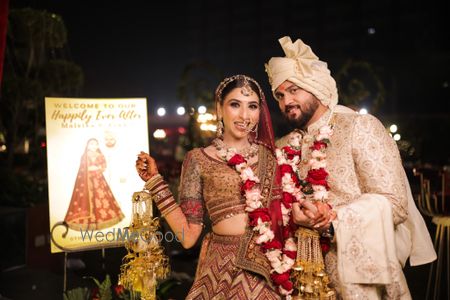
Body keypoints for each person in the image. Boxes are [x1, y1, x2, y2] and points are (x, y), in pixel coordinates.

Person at [265, 36, 437, 299]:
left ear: (316, 86)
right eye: (279, 95)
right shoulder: (284, 145)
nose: (286, 101)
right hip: (298, 277)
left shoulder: (360, 127)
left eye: (294, 90)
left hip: (358, 280)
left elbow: (394, 202)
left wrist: (331, 221)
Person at [136, 75, 316, 299]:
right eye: (234, 105)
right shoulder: (198, 159)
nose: (244, 115)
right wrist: (155, 183)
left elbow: (289, 218)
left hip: (269, 272)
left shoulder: (274, 158)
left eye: (252, 106)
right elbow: (188, 237)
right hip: (220, 272)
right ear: (219, 109)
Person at [65, 138, 125, 230]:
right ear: (88, 146)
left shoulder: (100, 155)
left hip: (98, 179)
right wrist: (90, 168)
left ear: (97, 146)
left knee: (101, 197)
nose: (93, 146)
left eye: (95, 144)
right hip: (87, 180)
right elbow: (82, 168)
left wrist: (98, 168)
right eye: (91, 144)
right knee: (87, 199)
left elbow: (104, 166)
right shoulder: (84, 156)